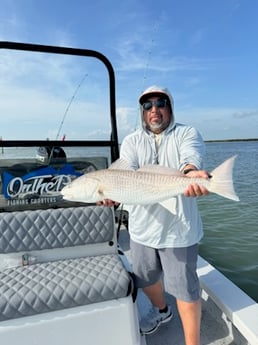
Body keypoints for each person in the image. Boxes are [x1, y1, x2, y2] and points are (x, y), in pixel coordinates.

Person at [100, 85, 209, 345]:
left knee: (185, 290)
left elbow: (190, 156)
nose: (154, 110)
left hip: (179, 229)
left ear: (170, 106)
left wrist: (191, 172)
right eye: (147, 106)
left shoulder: (186, 132)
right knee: (144, 278)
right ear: (142, 112)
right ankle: (162, 311)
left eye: (160, 103)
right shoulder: (132, 141)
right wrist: (111, 193)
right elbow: (124, 171)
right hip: (141, 229)